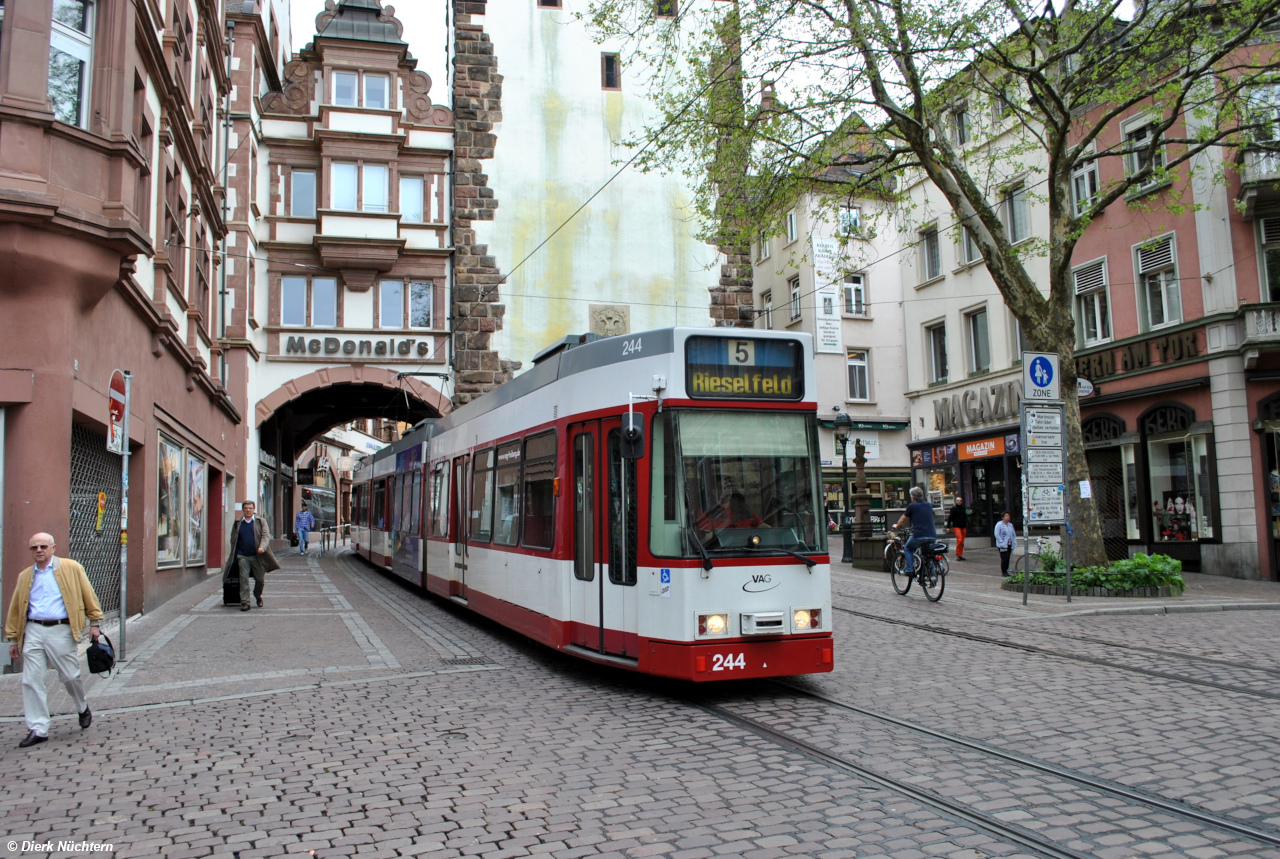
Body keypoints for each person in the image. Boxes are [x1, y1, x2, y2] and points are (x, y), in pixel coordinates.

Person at [4, 533, 103, 748]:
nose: (38, 550)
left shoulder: (71, 568)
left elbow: (89, 594)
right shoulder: (25, 576)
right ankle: (38, 728)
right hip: (33, 630)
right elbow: (16, 608)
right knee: (31, 679)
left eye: (43, 546)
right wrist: (13, 639)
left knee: (69, 675)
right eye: (34, 548)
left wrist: (95, 622)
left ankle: (82, 706)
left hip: (61, 629)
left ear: (53, 547)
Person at [225, 500, 278, 611]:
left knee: (260, 579)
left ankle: (257, 595)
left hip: (257, 556)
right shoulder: (238, 523)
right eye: (246, 508)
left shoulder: (260, 521)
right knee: (243, 578)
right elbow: (233, 538)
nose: (248, 510)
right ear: (243, 510)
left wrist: (262, 547)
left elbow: (265, 536)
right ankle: (245, 602)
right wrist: (235, 553)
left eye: (250, 508)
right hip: (242, 555)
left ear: (254, 510)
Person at [894, 486, 936, 577]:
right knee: (927, 553)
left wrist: (897, 526)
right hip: (932, 535)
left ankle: (909, 569)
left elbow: (903, 518)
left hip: (919, 535)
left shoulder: (912, 506)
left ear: (912, 497)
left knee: (908, 548)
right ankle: (932, 575)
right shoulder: (929, 505)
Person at [696, 489, 764, 531]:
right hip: (719, 551)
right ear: (714, 491)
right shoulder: (706, 512)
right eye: (724, 488)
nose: (727, 491)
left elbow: (760, 525)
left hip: (748, 550)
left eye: (729, 487)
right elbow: (705, 538)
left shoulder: (743, 509)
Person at [994, 511, 1017, 577]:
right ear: (1003, 517)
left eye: (1008, 516)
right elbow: (997, 534)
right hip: (1002, 544)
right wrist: (1001, 541)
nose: (1008, 517)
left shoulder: (1010, 525)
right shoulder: (999, 524)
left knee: (1008, 557)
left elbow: (1013, 534)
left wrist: (1014, 541)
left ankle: (1006, 570)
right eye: (1006, 516)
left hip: (1009, 544)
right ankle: (1004, 571)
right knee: (1004, 558)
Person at [947, 495, 968, 561]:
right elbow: (950, 518)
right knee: (960, 540)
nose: (959, 502)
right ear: (956, 501)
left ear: (961, 502)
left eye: (960, 501)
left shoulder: (963, 508)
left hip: (963, 526)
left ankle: (960, 554)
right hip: (956, 526)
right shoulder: (953, 509)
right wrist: (948, 526)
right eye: (958, 501)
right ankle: (958, 555)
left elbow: (965, 517)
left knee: (962, 541)